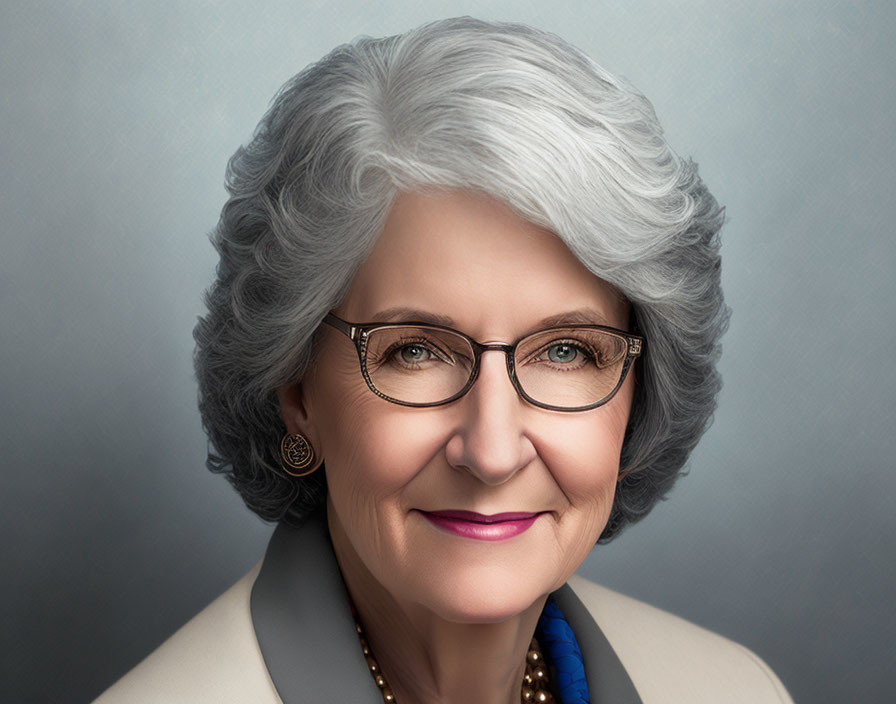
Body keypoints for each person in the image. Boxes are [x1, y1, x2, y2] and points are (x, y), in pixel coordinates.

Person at [95, 17, 792, 704]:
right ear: (296, 393)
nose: (491, 453)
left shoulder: (736, 690)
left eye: (566, 350)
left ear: (640, 395)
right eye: (415, 351)